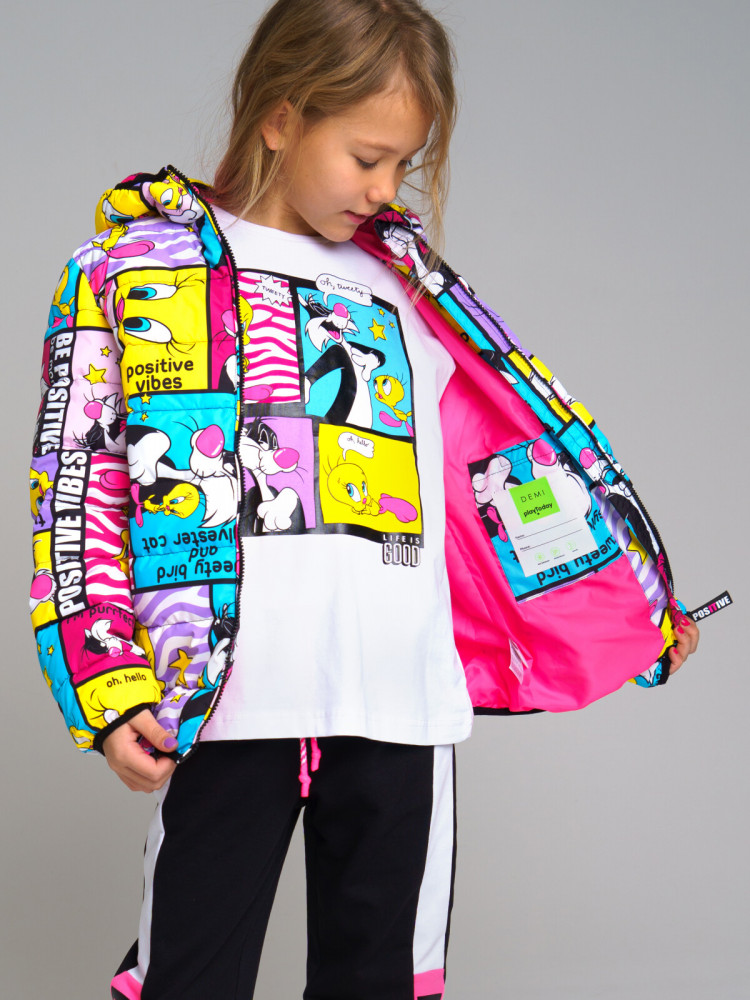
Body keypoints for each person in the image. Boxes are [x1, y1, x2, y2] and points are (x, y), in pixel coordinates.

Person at [29, 1, 699, 998]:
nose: (387, 189)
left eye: (405, 164)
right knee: (187, 979)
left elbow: (512, 466)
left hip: (400, 706)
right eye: (368, 157)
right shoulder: (130, 272)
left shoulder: (411, 289)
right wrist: (105, 683)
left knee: (382, 982)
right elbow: (78, 488)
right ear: (281, 117)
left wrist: (636, 600)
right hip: (227, 703)